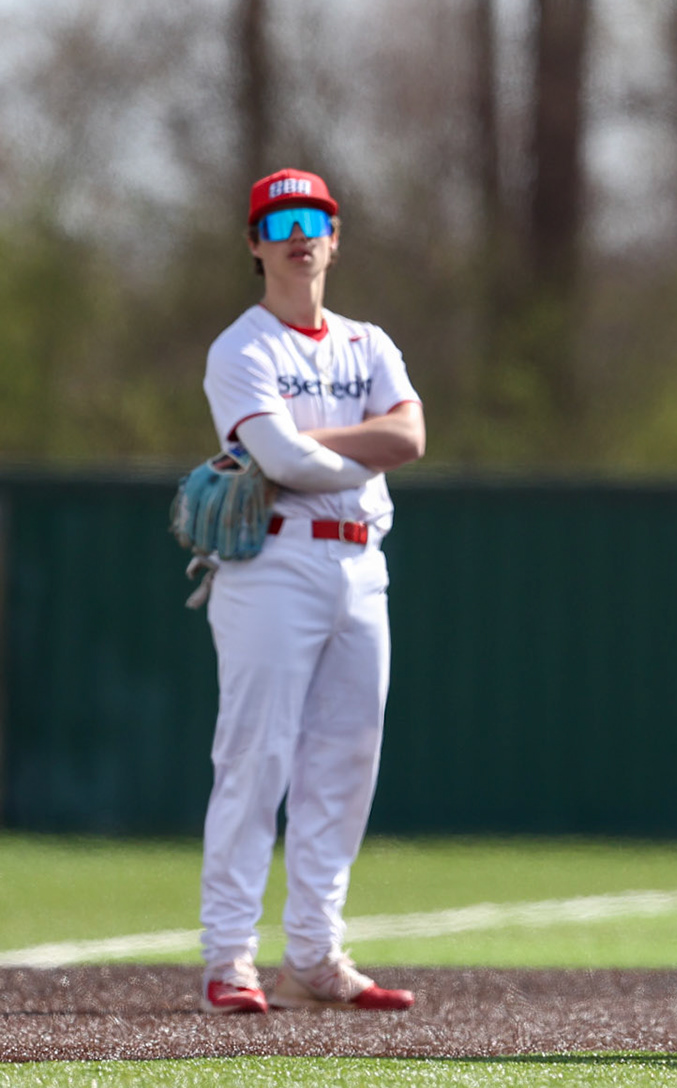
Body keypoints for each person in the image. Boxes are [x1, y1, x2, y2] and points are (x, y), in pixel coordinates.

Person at [193, 167, 425, 1015]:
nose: (299, 236)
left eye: (314, 220)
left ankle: (314, 957)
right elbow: (280, 461)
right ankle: (229, 958)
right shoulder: (243, 348)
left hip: (363, 565)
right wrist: (357, 446)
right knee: (255, 758)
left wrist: (307, 441)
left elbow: (412, 436)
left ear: (334, 237)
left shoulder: (369, 343)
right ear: (255, 244)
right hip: (273, 562)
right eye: (281, 222)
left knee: (346, 760)